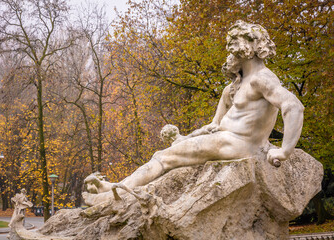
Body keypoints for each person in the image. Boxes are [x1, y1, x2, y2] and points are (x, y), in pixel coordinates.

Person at [83, 20, 304, 206]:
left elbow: (293, 106)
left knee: (164, 158)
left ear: (249, 45)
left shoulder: (262, 78)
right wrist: (184, 139)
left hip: (239, 144)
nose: (230, 46)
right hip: (224, 140)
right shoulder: (238, 85)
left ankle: (113, 195)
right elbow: (214, 125)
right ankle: (116, 189)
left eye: (235, 41)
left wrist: (285, 151)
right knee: (168, 155)